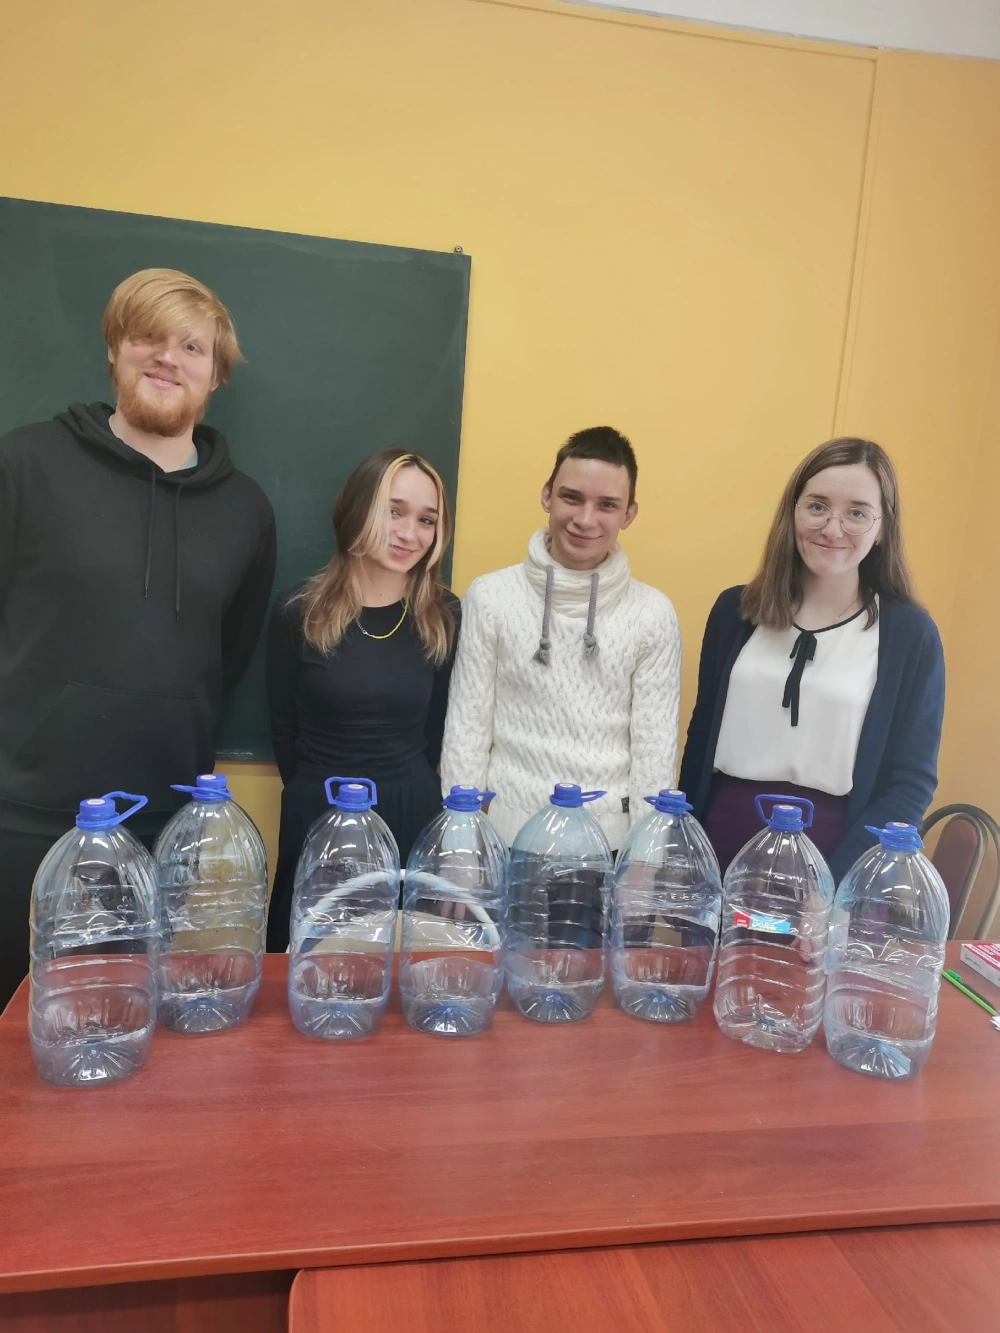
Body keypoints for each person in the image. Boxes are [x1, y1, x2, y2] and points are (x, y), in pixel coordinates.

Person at [0, 268, 277, 1007]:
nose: (167, 358)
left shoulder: (247, 510)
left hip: (166, 826)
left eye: (191, 347)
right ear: (114, 350)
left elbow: (229, 652)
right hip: (23, 818)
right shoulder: (23, 464)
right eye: (147, 337)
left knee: (133, 1029)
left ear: (215, 374)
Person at [679, 437, 945, 882]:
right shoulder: (734, 612)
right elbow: (701, 735)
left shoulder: (909, 636)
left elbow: (910, 783)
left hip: (833, 861)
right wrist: (682, 848)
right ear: (793, 512)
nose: (832, 529)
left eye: (857, 513)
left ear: (882, 528)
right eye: (817, 506)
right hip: (717, 847)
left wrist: (838, 884)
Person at [441, 426, 681, 852]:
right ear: (547, 495)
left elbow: (654, 752)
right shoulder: (491, 597)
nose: (585, 519)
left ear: (629, 515)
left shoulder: (652, 613)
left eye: (607, 505)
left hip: (608, 849)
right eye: (572, 497)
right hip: (504, 840)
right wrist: (461, 840)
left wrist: (645, 858)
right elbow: (467, 729)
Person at [265, 448, 459, 952]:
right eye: (393, 511)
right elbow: (284, 730)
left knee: (401, 974)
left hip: (411, 812)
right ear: (357, 510)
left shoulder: (444, 615)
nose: (409, 533)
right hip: (319, 812)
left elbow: (441, 727)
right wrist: (317, 798)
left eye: (426, 520)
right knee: (311, 967)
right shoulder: (298, 611)